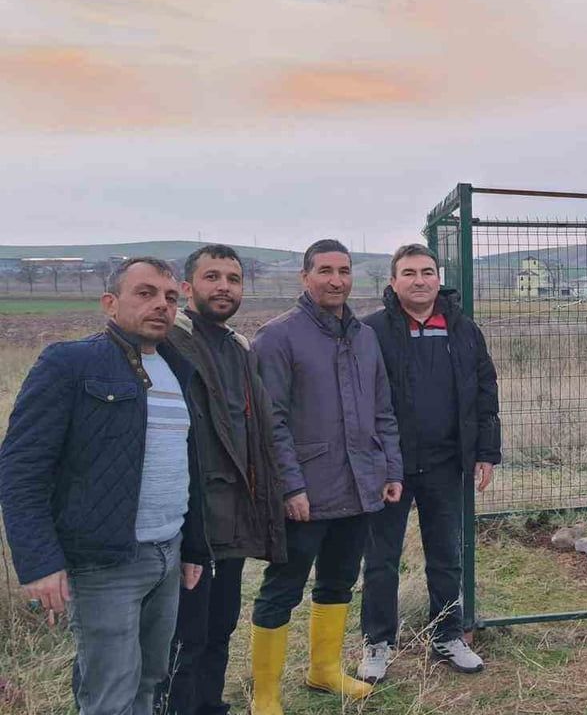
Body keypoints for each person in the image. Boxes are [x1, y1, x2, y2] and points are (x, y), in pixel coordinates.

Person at [0, 257, 207, 715]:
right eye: (146, 293)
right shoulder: (70, 363)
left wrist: (194, 548)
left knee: (150, 680)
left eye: (171, 297)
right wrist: (39, 562)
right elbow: (21, 468)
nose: (161, 305)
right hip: (105, 562)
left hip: (167, 556)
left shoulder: (178, 371)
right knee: (109, 692)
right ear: (110, 303)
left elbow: (183, 467)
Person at [248, 239, 403, 714]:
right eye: (325, 271)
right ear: (305, 277)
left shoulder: (363, 336)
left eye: (344, 270)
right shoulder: (277, 337)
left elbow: (383, 409)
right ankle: (266, 694)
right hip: (307, 493)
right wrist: (291, 485)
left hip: (360, 485)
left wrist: (390, 467)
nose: (336, 280)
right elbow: (268, 421)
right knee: (282, 587)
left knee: (338, 582)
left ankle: (324, 671)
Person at [358, 244, 501, 680]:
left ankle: (447, 635)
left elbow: (484, 391)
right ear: (392, 281)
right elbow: (359, 399)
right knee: (382, 558)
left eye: (426, 272)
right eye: (408, 273)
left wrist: (486, 452)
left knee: (445, 554)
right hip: (390, 467)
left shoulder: (463, 329)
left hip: (446, 463)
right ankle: (377, 642)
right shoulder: (372, 330)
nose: (419, 280)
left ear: (438, 279)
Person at [158, 244, 288, 715]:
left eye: (233, 279)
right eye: (212, 277)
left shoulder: (238, 348)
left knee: (220, 625)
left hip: (231, 516)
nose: (224, 287)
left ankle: (209, 705)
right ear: (188, 287)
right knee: (184, 636)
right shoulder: (169, 343)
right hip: (188, 517)